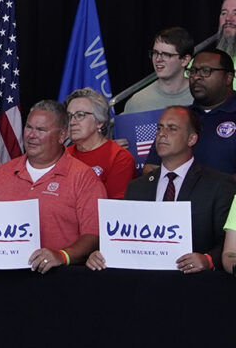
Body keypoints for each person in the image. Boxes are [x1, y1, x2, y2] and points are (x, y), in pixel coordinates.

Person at [0, 100, 103, 273]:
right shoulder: (0, 174)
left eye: (41, 130)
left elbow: (93, 236)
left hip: (58, 281)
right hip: (0, 281)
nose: (31, 135)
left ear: (61, 135)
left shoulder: (84, 178)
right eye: (29, 127)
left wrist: (62, 255)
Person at [91, 106, 235, 273]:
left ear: (191, 139)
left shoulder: (218, 185)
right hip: (145, 287)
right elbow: (126, 240)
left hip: (197, 286)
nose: (162, 134)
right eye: (159, 128)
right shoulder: (137, 187)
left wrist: (209, 260)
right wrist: (104, 253)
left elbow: (227, 243)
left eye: (172, 128)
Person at [63, 88, 134, 198]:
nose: (72, 122)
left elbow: (113, 208)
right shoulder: (63, 155)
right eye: (69, 116)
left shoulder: (119, 158)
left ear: (100, 122)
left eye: (80, 115)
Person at [124, 27, 195, 113]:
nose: (158, 59)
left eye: (166, 54)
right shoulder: (137, 102)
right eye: (155, 53)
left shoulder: (201, 96)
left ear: (185, 60)